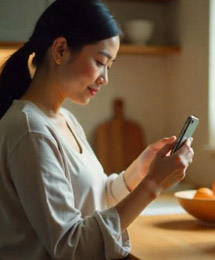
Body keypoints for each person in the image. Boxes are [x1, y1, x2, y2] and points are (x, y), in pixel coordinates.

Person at [0, 0, 194, 259]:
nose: (105, 78)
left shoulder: (65, 119)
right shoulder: (30, 131)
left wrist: (139, 171)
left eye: (109, 66)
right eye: (101, 62)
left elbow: (96, 197)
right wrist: (152, 185)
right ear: (60, 50)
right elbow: (72, 246)